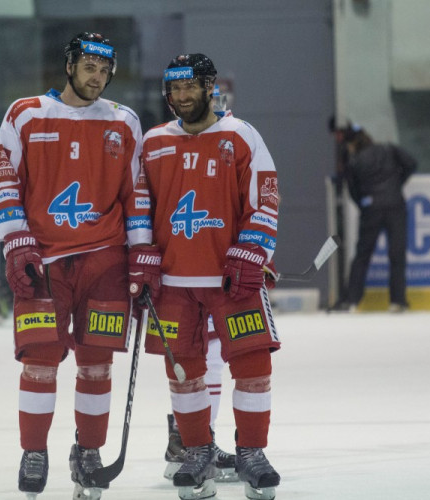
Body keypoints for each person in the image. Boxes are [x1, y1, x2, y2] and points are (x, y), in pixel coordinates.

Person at [0, 32, 159, 499]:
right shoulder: (25, 113)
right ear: (69, 66)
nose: (97, 77)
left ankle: (88, 450)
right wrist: (16, 242)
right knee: (41, 360)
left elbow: (136, 194)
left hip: (105, 260)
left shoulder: (124, 121)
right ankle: (34, 451)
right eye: (89, 67)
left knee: (97, 363)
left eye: (105, 70)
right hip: (43, 260)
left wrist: (142, 252)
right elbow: (6, 181)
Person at [141, 53, 281, 500]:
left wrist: (252, 251)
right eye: (174, 89)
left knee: (253, 362)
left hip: (229, 277)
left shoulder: (241, 136)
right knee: (184, 373)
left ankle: (252, 452)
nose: (181, 97)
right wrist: (141, 256)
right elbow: (139, 206)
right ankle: (197, 450)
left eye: (190, 87)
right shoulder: (153, 142)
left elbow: (266, 199)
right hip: (174, 281)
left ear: (208, 88)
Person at [333, 126, 417, 312]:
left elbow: (353, 189)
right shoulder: (389, 149)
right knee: (397, 254)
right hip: (395, 206)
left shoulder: (354, 162)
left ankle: (352, 300)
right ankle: (398, 301)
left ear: (353, 145)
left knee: (363, 255)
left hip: (371, 209)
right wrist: (396, 185)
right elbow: (411, 164)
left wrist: (365, 203)